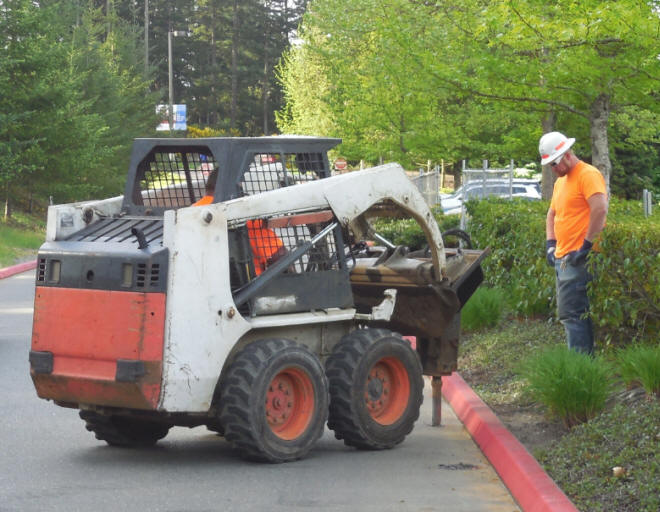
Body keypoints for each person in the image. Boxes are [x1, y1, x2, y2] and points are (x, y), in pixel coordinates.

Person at [540, 131, 608, 354]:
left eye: (555, 163)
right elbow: (552, 215)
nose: (553, 169)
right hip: (564, 258)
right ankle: (582, 364)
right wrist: (551, 244)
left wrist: (586, 246)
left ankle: (579, 365)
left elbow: (600, 209)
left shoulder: (587, 174)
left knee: (573, 315)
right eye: (549, 165)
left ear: (567, 154)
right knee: (573, 315)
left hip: (578, 258)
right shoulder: (562, 182)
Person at [192, 168, 285, 276]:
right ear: (232, 186)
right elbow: (279, 256)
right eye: (239, 185)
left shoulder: (190, 214)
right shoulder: (244, 215)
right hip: (248, 287)